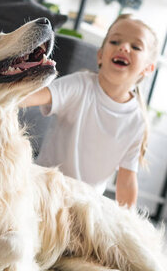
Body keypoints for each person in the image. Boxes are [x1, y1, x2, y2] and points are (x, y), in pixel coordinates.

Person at [22, 14, 158, 208]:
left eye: (136, 47)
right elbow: (33, 97)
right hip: (43, 189)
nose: (123, 47)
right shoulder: (80, 85)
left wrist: (127, 223)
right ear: (100, 55)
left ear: (148, 68)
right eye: (115, 41)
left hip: (85, 205)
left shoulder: (137, 121)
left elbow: (127, 181)